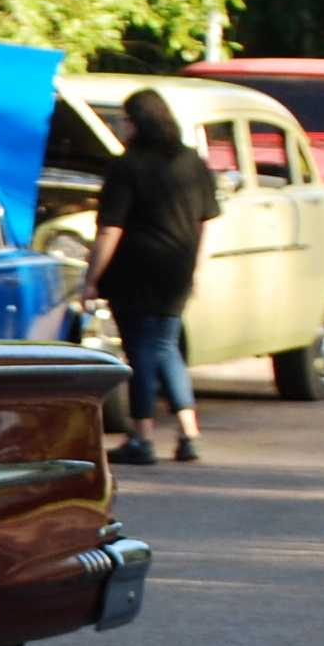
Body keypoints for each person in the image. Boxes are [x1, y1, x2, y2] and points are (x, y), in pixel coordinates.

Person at [77, 88, 218, 466]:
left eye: (125, 120)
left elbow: (111, 229)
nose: (122, 127)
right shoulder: (192, 162)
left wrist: (92, 277)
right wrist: (197, 268)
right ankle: (188, 432)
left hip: (134, 271)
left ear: (137, 123)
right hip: (177, 268)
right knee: (166, 347)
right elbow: (207, 221)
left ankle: (142, 438)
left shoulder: (127, 166)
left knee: (139, 350)